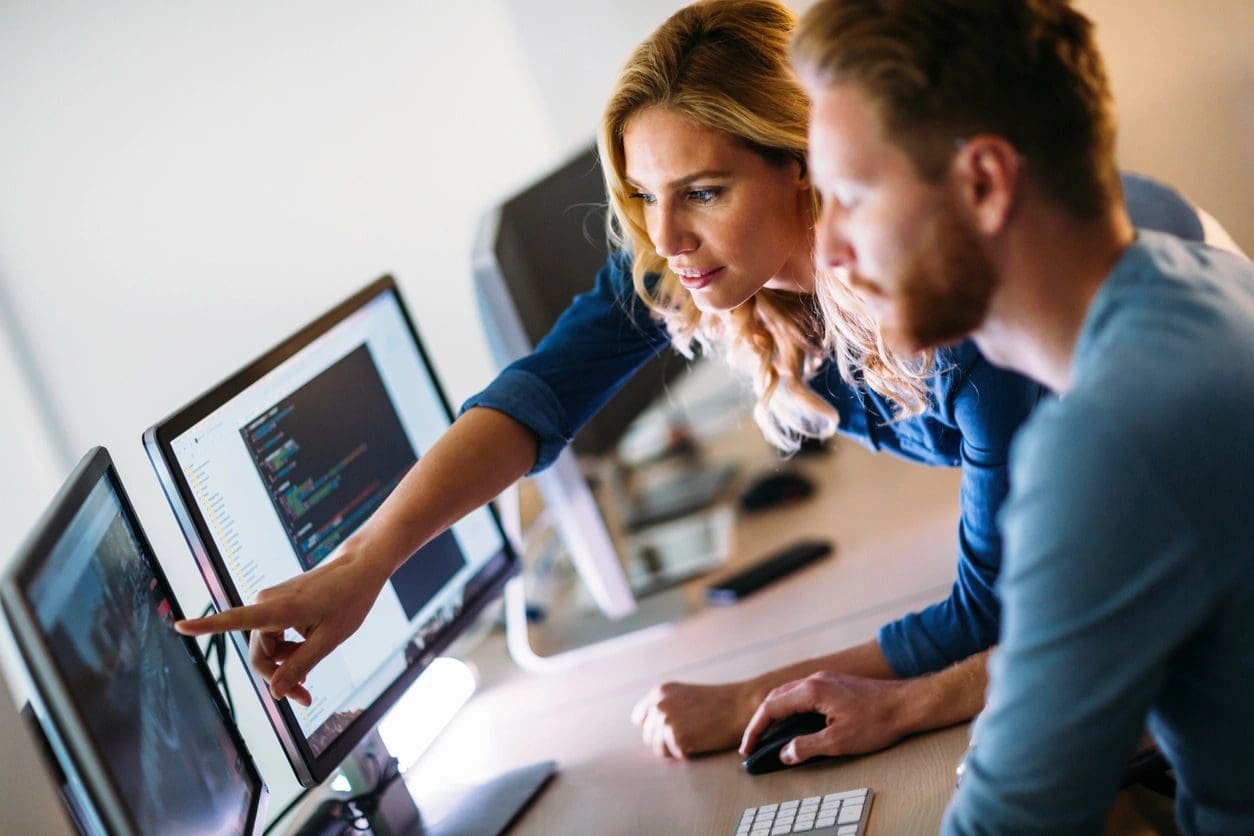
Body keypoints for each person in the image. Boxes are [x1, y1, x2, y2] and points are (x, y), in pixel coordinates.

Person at [176, 0, 1211, 764]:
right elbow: (538, 396)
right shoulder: (713, 267)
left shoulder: (962, 301)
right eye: (641, 195)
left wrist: (745, 699)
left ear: (802, 165)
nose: (666, 239)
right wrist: (365, 561)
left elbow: (992, 612)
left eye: (704, 191)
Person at [737, 0, 1254, 832]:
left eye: (851, 197)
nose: (826, 249)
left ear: (983, 183)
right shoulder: (1190, 280)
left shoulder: (1111, 437)